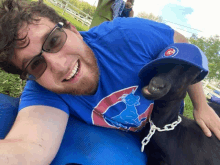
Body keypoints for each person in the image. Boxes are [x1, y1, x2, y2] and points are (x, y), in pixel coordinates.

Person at [0, 0, 220, 164]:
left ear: (71, 27)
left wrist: (201, 105)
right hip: (137, 140)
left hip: (168, 117)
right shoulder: (44, 91)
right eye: (36, 64)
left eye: (54, 40)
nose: (58, 65)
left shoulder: (126, 36)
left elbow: (184, 46)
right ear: (29, 75)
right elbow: (29, 149)